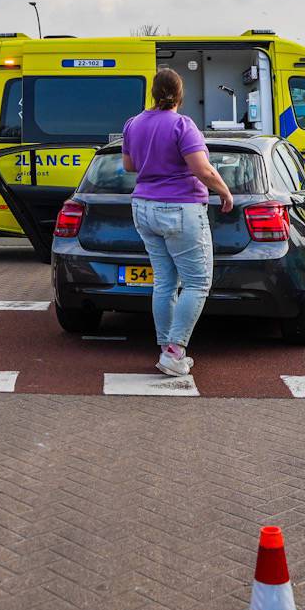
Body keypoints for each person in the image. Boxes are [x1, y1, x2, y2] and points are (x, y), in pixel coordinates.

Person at [120, 67, 235, 378]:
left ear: (153, 92)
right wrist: (225, 192)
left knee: (164, 282)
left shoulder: (133, 124)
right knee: (197, 283)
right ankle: (174, 351)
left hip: (144, 207)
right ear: (180, 95)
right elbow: (202, 169)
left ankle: (166, 350)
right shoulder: (183, 125)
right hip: (179, 208)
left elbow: (129, 165)